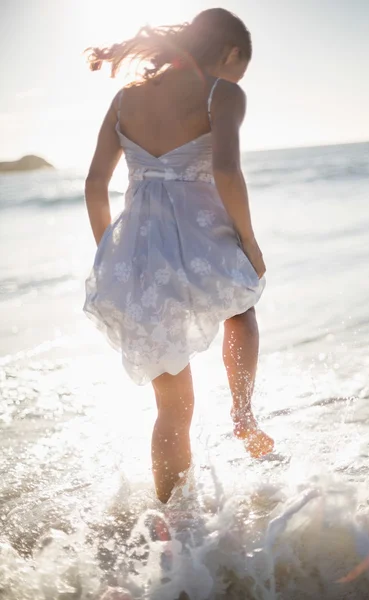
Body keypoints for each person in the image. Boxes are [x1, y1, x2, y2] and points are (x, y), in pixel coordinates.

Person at [83, 8, 274, 504]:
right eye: (239, 66)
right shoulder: (221, 92)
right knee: (242, 309)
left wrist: (110, 251)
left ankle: (172, 526)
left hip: (140, 253)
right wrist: (250, 242)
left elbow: (95, 186)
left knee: (172, 406)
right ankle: (243, 414)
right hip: (203, 235)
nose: (235, 77)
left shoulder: (125, 100)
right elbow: (227, 171)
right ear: (231, 52)